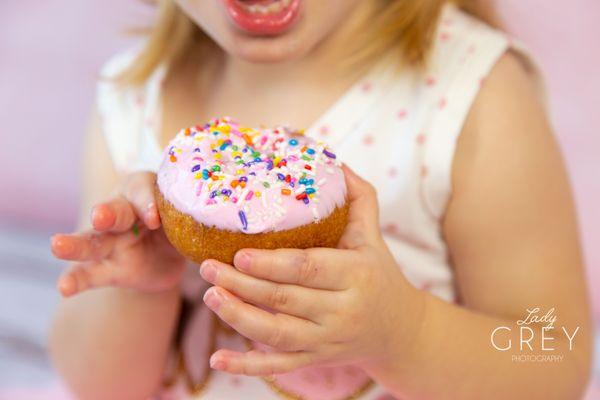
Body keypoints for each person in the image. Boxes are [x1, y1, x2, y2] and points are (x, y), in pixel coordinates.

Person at [49, 0, 592, 399]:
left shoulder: (470, 95)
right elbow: (99, 387)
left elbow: (557, 355)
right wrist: (139, 291)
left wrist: (406, 333)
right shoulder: (133, 96)